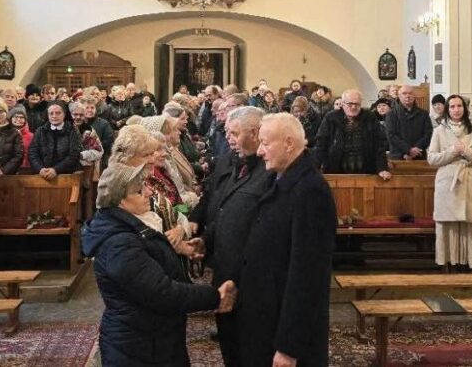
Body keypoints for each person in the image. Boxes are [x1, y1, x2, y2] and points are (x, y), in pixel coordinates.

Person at [80, 162, 234, 367]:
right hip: (139, 347)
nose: (149, 192)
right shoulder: (119, 244)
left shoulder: (132, 225)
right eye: (139, 191)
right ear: (121, 201)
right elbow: (161, 292)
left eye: (145, 185)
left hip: (152, 337)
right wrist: (214, 297)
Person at [233, 114, 336, 367]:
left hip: (284, 332)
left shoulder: (310, 191)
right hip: (265, 317)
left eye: (266, 143)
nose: (259, 151)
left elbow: (308, 276)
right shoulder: (278, 178)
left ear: (289, 143)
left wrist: (289, 346)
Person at [190, 106, 271, 366]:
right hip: (224, 268)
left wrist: (237, 278)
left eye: (234, 133)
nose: (228, 139)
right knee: (229, 340)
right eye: (227, 132)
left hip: (249, 278)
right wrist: (206, 239)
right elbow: (224, 210)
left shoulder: (269, 172)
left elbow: (263, 232)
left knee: (251, 347)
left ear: (255, 133)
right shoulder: (236, 162)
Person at [427, 94, 472, 271]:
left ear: (465, 108)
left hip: (469, 177)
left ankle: (470, 262)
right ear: (447, 109)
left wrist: (467, 152)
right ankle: (448, 261)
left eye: (459, 106)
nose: (456, 110)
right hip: (447, 181)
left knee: (471, 221)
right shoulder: (440, 130)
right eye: (452, 106)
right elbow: (432, 159)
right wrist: (452, 151)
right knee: (448, 223)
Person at [315, 89, 391, 178]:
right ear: (343, 104)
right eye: (350, 104)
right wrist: (314, 168)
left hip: (367, 172)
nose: (353, 107)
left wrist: (382, 168)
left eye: (357, 104)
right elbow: (321, 144)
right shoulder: (330, 118)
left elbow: (379, 144)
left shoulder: (370, 117)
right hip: (335, 171)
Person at [29, 101, 81, 179]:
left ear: (64, 114)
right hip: (43, 174)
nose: (54, 116)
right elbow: (33, 152)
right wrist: (40, 169)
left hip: (67, 175)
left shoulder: (72, 130)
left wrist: (56, 170)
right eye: (51, 113)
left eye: (58, 113)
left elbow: (74, 154)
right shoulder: (40, 131)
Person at [385, 85, 434, 161]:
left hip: (419, 156)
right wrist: (408, 150)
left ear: (414, 96)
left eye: (410, 93)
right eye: (404, 93)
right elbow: (391, 136)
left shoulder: (423, 114)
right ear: (399, 96)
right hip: (398, 157)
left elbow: (428, 134)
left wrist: (416, 149)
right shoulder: (391, 115)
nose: (407, 96)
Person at [0, 97, 23, 177]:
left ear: (6, 113)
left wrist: (4, 170)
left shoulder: (14, 133)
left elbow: (18, 155)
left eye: (1, 111)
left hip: (8, 176)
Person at [83, 97, 115, 167]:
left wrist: (94, 146)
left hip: (100, 157)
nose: (89, 110)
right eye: (87, 108)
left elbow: (108, 141)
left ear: (96, 109)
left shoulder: (104, 124)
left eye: (92, 108)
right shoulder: (79, 123)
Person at [9, 106, 34, 172]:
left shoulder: (32, 136)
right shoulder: (5, 134)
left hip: (27, 169)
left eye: (21, 117)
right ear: (10, 118)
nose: (19, 119)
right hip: (9, 170)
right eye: (16, 117)